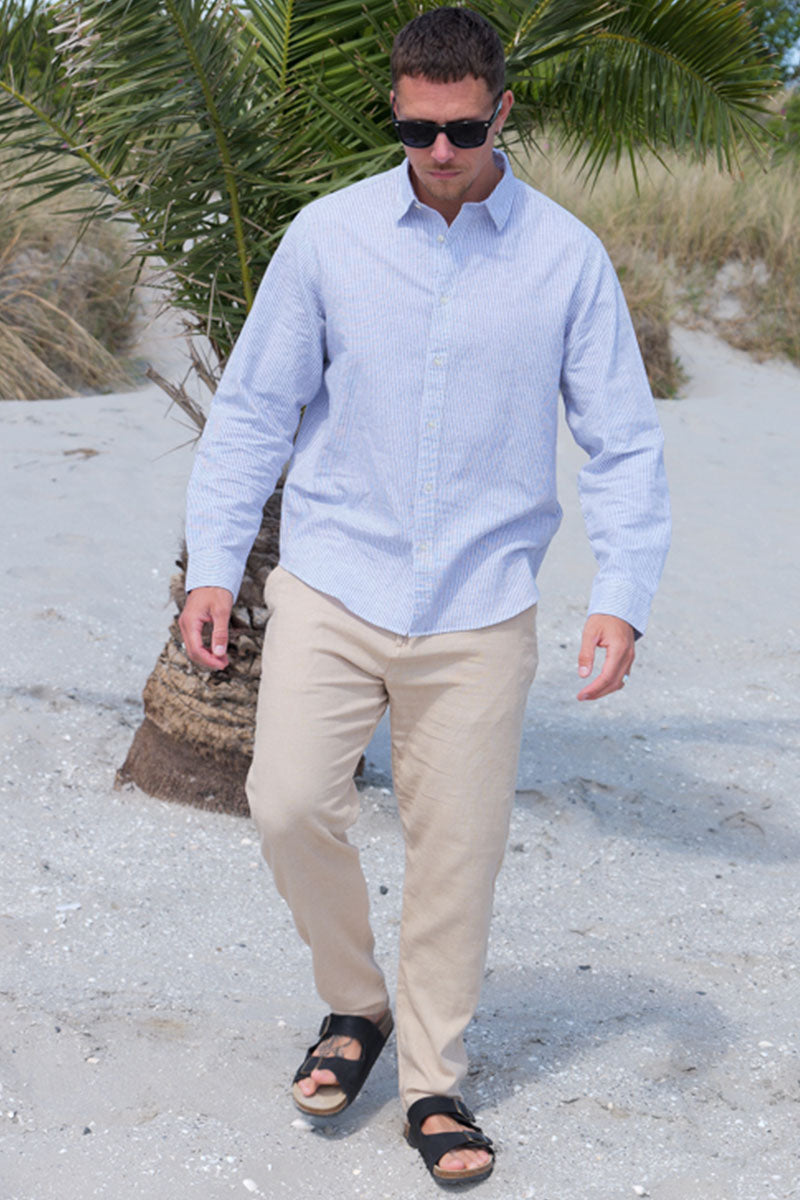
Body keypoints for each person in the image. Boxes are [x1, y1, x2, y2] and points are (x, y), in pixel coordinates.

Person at [179, 6, 670, 1185]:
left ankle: (433, 1083)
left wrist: (620, 594)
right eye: (414, 129)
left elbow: (620, 442)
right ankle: (355, 1005)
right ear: (394, 113)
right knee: (286, 803)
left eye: (460, 129)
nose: (437, 152)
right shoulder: (328, 237)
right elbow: (253, 413)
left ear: (501, 112)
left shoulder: (564, 257)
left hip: (480, 604)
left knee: (457, 854)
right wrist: (213, 562)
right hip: (334, 581)